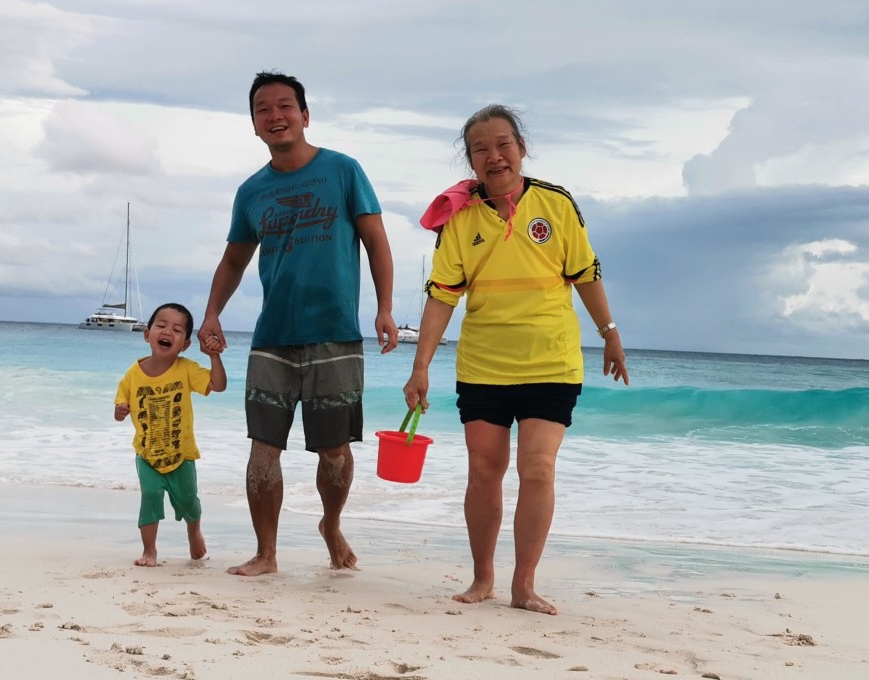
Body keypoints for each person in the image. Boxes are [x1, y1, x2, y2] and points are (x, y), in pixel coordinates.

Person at [403, 104, 629, 615]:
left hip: (551, 359)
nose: (494, 156)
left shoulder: (557, 204)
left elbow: (586, 273)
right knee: (483, 472)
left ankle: (523, 584)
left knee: (539, 469)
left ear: (521, 149)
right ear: (470, 161)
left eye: (503, 144)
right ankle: (482, 578)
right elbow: (442, 295)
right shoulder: (458, 218)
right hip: (484, 363)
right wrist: (420, 367)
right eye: (480, 148)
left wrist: (609, 333)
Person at [197, 71, 398, 577]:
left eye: (285, 106)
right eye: (263, 109)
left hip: (334, 332)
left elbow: (376, 241)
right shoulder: (252, 191)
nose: (275, 115)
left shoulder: (343, 170)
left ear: (305, 116)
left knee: (334, 451)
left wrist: (385, 307)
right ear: (254, 125)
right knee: (263, 449)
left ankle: (331, 524)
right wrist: (212, 313)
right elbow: (235, 260)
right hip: (272, 337)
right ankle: (266, 552)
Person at [115, 302, 227, 567]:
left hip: (181, 454)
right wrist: (120, 411)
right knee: (150, 497)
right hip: (147, 454)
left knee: (189, 502)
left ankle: (194, 530)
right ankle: (149, 551)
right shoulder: (132, 374)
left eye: (177, 329)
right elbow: (121, 404)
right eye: (161, 325)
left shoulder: (186, 369)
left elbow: (218, 385)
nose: (168, 331)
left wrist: (214, 357)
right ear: (147, 334)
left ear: (185, 344)